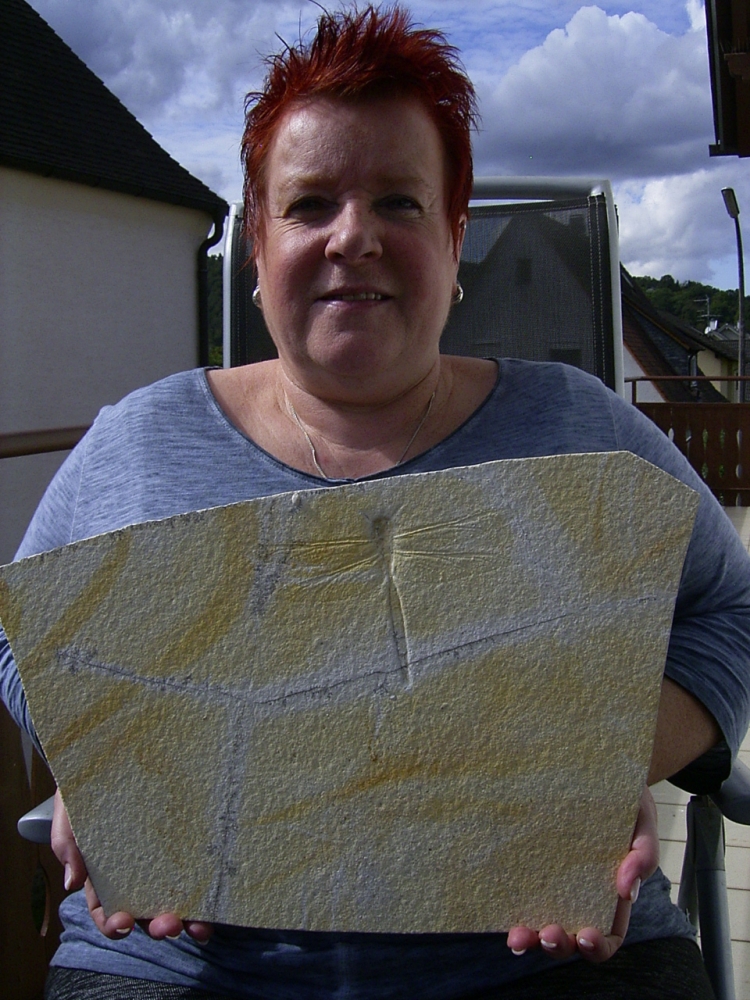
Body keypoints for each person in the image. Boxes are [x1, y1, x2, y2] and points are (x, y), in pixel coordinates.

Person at [1, 6, 749, 998]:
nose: (353, 236)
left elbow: (731, 607)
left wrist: (599, 758)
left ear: (454, 237)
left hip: (541, 957)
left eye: (399, 201)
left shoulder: (583, 429)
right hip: (186, 959)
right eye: (310, 204)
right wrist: (103, 759)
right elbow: (23, 634)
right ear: (258, 246)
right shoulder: (136, 444)